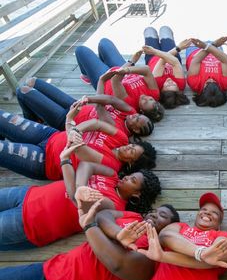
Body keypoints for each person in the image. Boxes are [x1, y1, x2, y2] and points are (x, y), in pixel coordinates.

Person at [0, 199, 180, 280]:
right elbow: (104, 215)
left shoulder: (154, 255)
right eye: (154, 211)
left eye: (162, 215)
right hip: (47, 271)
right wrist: (117, 234)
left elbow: (118, 264)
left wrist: (90, 227)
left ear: (168, 228)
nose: (154, 214)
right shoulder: (132, 217)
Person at [0, 156, 161, 250]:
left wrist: (78, 190)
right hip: (27, 194)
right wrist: (81, 187)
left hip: (30, 222)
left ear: (136, 194)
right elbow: (86, 165)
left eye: (132, 180)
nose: (126, 177)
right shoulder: (112, 175)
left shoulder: (114, 206)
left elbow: (77, 199)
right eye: (131, 175)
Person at [135, 192, 227, 280]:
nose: (207, 213)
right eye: (204, 209)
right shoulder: (180, 226)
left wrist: (164, 256)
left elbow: (220, 257)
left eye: (215, 213)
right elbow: (166, 236)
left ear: (219, 224)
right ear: (197, 214)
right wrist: (201, 253)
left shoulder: (222, 235)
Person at [0, 107, 156, 180]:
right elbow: (97, 123)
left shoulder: (112, 165)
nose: (129, 146)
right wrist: (77, 130)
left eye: (131, 152)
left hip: (45, 161)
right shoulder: (121, 138)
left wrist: (69, 121)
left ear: (130, 163)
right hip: (51, 135)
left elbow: (78, 149)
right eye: (133, 145)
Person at [15, 77, 154, 137]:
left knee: (22, 92)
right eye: (139, 115)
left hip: (66, 119)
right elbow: (111, 99)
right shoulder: (131, 112)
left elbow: (100, 107)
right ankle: (36, 120)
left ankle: (31, 123)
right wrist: (98, 84)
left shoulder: (119, 131)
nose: (134, 115)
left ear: (135, 129)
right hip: (76, 105)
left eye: (136, 119)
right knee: (32, 82)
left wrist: (99, 85)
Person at [75, 38, 165, 121]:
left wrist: (131, 62)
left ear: (141, 111)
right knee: (104, 42)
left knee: (80, 50)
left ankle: (88, 75)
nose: (146, 98)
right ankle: (98, 64)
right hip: (123, 69)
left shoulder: (130, 104)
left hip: (105, 79)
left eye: (145, 102)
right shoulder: (154, 94)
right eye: (150, 99)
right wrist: (129, 66)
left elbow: (115, 79)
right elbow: (147, 70)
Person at [142, 26, 191, 109]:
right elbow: (175, 62)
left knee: (149, 31)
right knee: (165, 29)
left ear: (162, 89)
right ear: (178, 88)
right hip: (172, 55)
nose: (170, 81)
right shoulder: (181, 84)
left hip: (153, 57)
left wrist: (179, 48)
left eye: (167, 85)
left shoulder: (157, 83)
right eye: (173, 84)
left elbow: (162, 61)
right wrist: (177, 49)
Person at [185, 37, 227, 107]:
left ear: (202, 92)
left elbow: (196, 60)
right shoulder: (225, 84)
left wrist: (210, 45)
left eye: (207, 83)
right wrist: (212, 46)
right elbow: (225, 60)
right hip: (217, 52)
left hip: (195, 51)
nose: (211, 79)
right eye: (215, 83)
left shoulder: (195, 84)